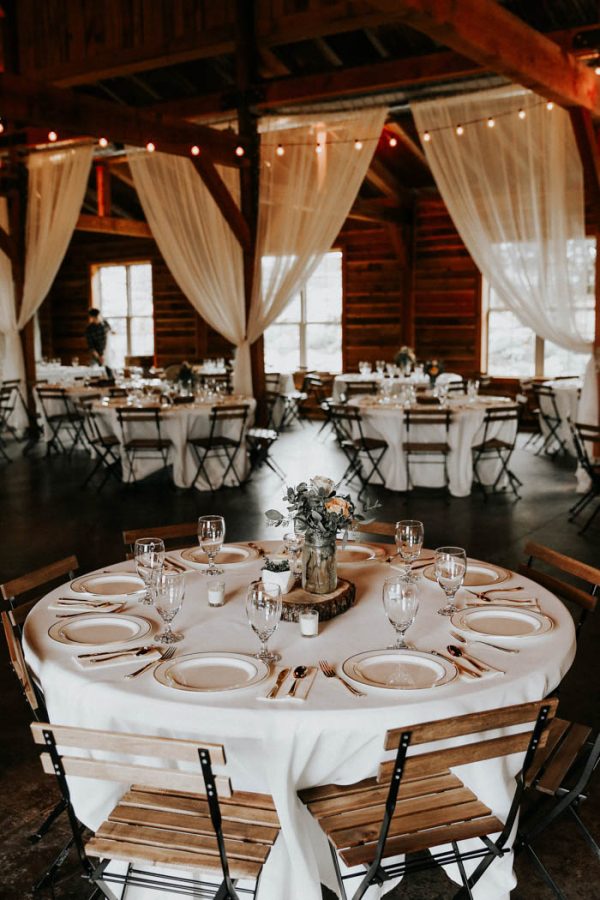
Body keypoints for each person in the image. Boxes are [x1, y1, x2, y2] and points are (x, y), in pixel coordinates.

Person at [85, 308, 113, 378]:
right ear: (91, 318)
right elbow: (91, 346)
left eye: (98, 317)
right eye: (94, 318)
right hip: (96, 356)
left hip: (108, 354)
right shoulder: (89, 329)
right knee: (98, 375)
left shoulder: (105, 324)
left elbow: (110, 333)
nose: (97, 319)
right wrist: (99, 357)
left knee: (111, 374)